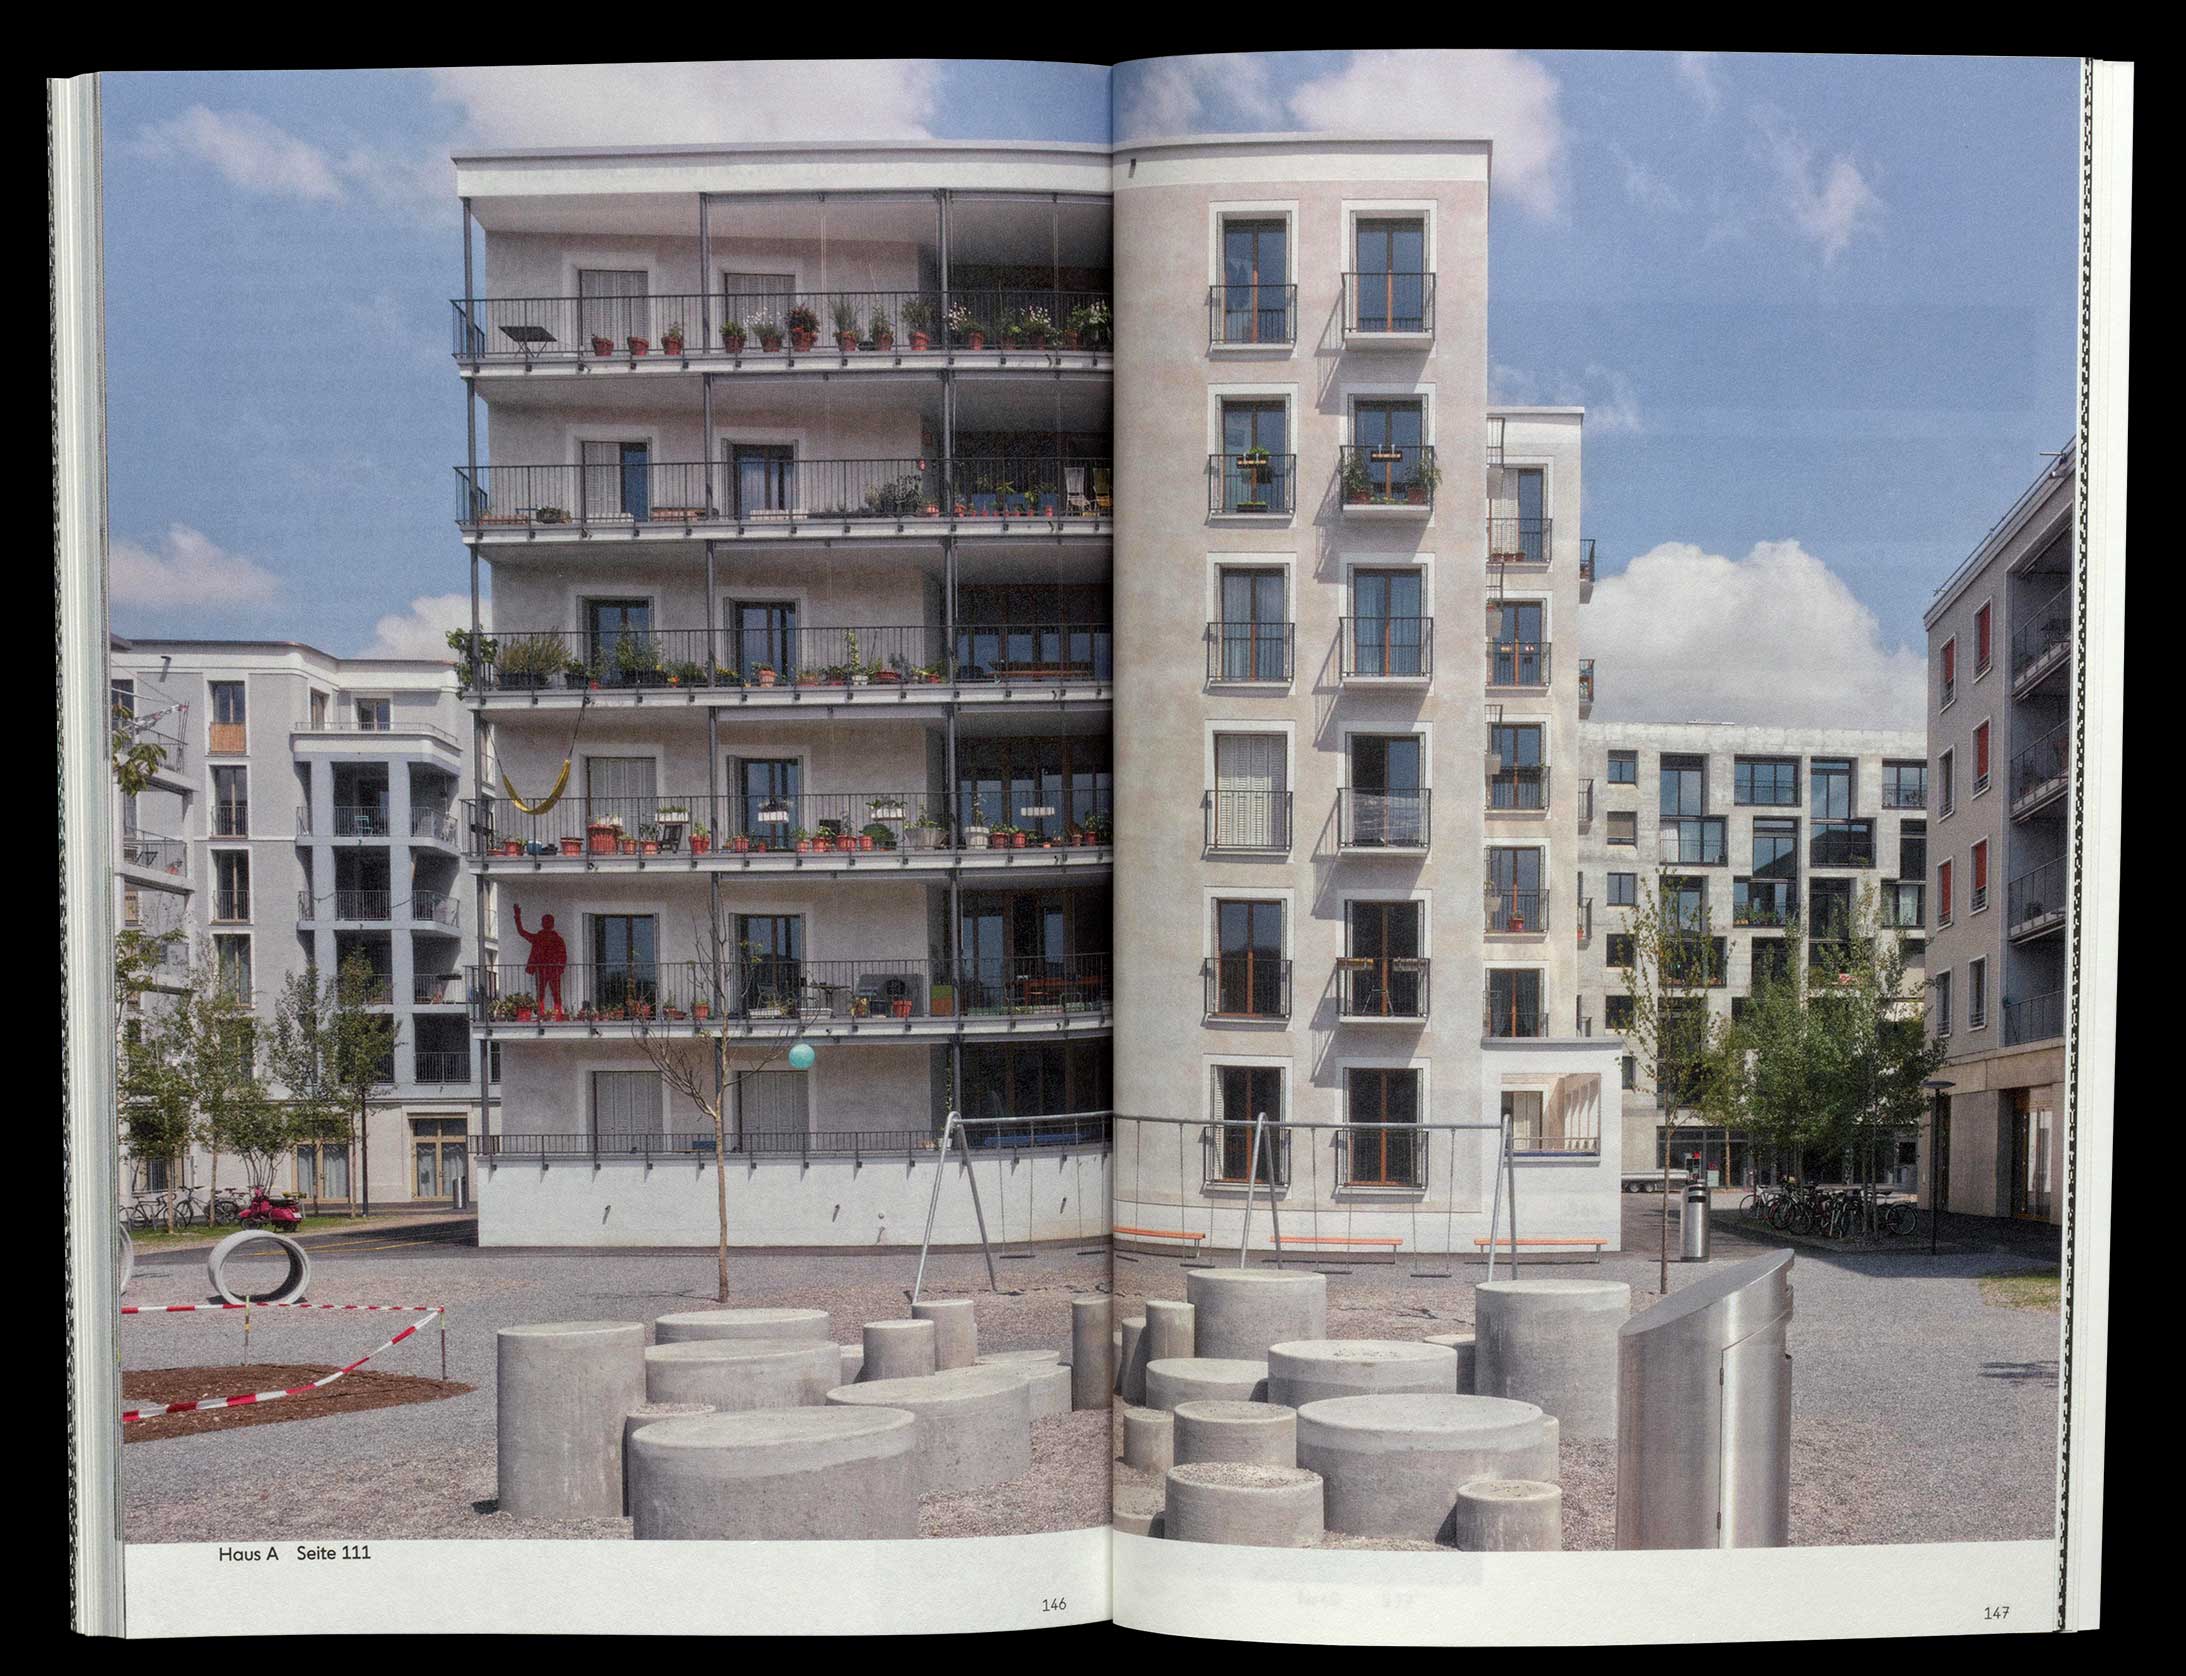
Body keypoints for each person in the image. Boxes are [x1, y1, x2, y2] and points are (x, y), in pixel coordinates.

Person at [512, 904, 568, 1018]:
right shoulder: (550, 938)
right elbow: (522, 932)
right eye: (545, 922)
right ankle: (549, 1014)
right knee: (548, 993)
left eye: (547, 922)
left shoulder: (552, 939)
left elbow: (563, 956)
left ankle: (551, 1014)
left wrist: (517, 916)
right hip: (546, 969)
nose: (546, 924)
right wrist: (517, 916)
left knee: (550, 993)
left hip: (548, 969)